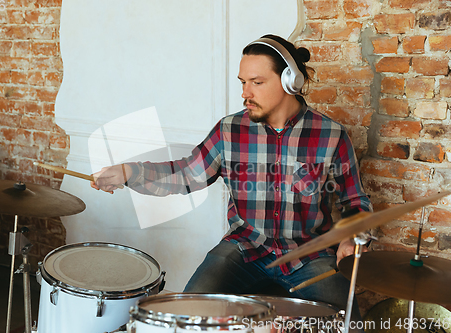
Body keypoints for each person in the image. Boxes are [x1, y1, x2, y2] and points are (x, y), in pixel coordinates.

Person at [91, 34, 372, 328]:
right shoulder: (229, 130)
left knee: (348, 324)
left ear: (290, 82)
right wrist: (128, 173)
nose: (245, 93)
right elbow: (187, 173)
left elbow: (354, 200)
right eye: (243, 82)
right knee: (189, 317)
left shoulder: (331, 135)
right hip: (244, 249)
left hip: (310, 256)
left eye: (257, 82)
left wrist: (353, 237)